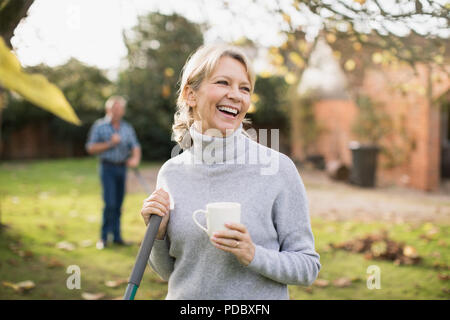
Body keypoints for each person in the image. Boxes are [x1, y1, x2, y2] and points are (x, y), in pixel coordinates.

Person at [140, 44, 320, 299]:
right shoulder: (171, 173)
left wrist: (253, 254)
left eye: (244, 88)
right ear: (191, 95)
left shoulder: (277, 170)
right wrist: (157, 237)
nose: (236, 95)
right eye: (223, 82)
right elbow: (171, 273)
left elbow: (307, 267)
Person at [86, 96, 141, 250]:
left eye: (120, 109)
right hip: (107, 167)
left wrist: (135, 158)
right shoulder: (100, 126)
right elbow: (90, 148)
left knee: (118, 204)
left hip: (121, 168)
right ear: (108, 109)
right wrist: (110, 143)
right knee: (109, 203)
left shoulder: (127, 128)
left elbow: (135, 145)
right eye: (114, 108)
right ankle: (103, 238)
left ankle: (117, 237)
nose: (117, 112)